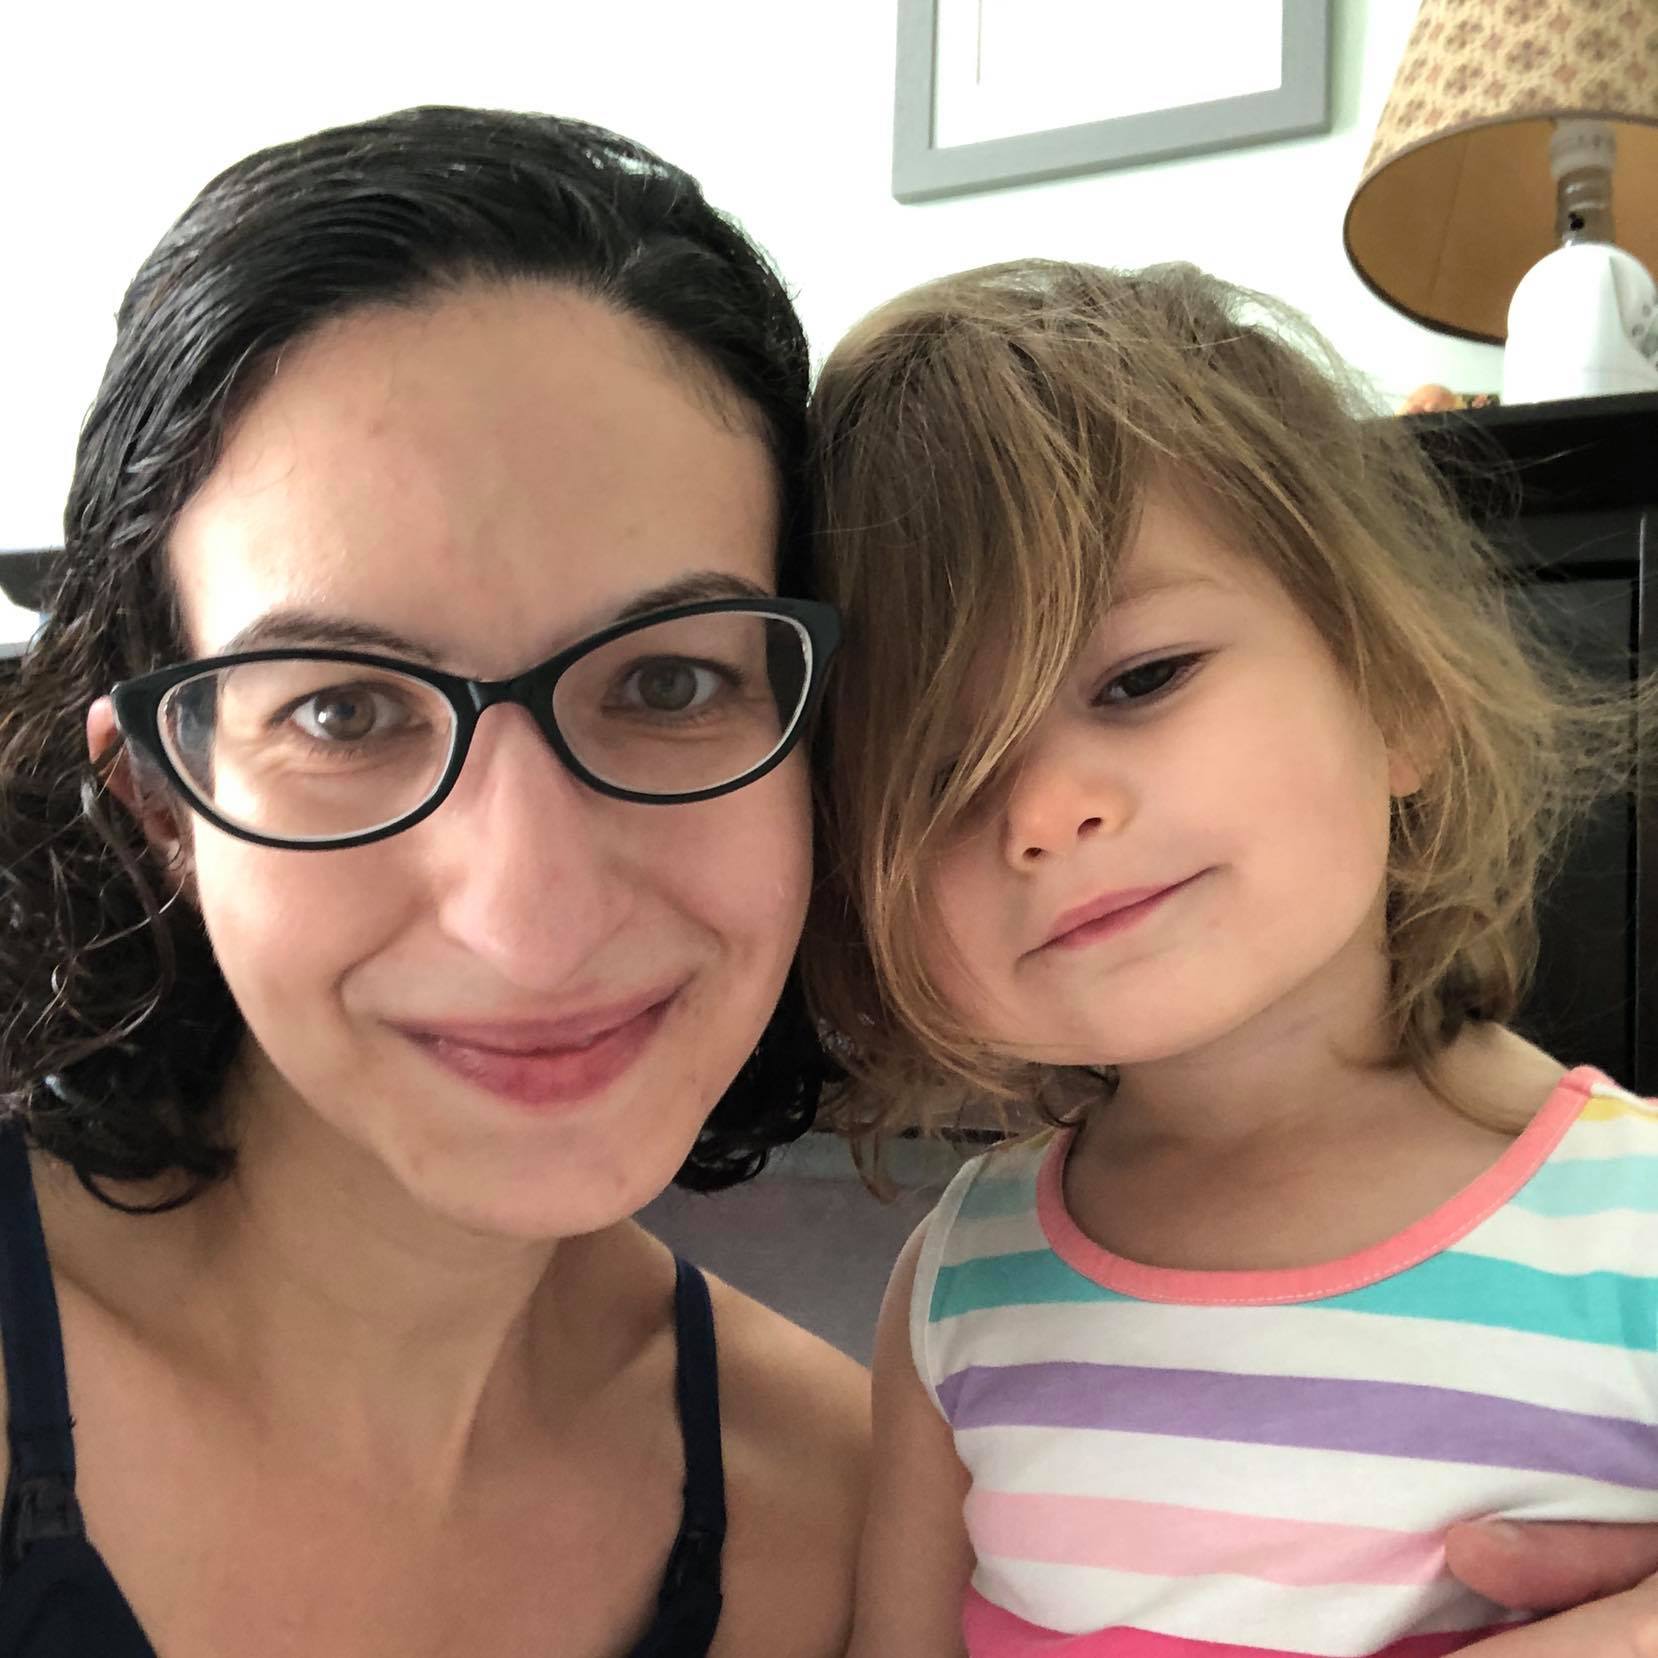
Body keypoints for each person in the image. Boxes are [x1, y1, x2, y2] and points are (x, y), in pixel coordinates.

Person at [0, 106, 868, 1657]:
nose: (530, 920)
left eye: (667, 683)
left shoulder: (849, 1510)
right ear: (160, 801)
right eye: (340, 710)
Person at [804, 258, 1658, 1657]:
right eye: (942, 769)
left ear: (1392, 689)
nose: (1042, 811)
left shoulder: (1625, 1231)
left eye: (1138, 680)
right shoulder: (960, 1279)